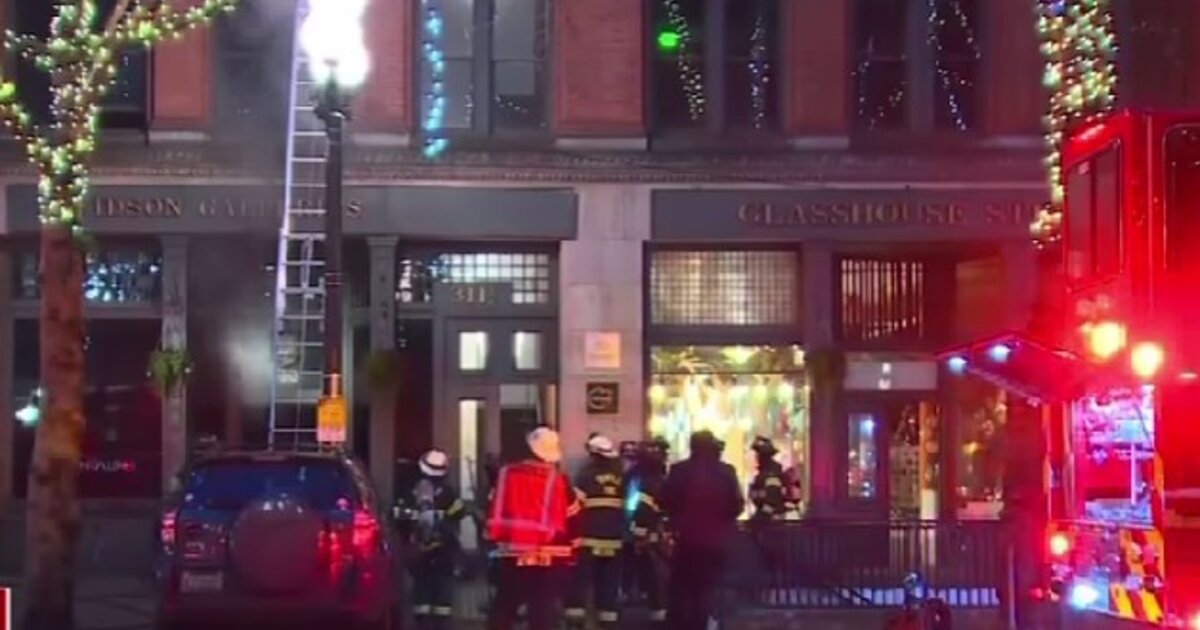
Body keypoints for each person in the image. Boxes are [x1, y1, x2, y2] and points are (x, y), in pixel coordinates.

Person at [487, 427, 581, 630]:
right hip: (548, 554)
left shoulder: (505, 475)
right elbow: (573, 516)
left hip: (511, 550)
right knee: (542, 607)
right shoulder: (558, 479)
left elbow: (493, 506)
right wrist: (574, 550)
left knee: (505, 604)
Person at [661, 430, 744, 630]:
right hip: (716, 542)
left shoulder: (679, 471)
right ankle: (706, 623)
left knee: (682, 587)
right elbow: (737, 505)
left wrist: (676, 520)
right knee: (708, 588)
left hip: (686, 541)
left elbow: (665, 500)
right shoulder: (725, 472)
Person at [565, 433, 625, 629]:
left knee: (580, 580)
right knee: (609, 582)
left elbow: (574, 505)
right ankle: (608, 620)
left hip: (588, 538)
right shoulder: (622, 476)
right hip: (614, 539)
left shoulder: (585, 475)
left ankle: (575, 619)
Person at [400, 449, 465, 629]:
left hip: (426, 550)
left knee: (424, 586)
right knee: (438, 588)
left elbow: (399, 516)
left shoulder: (412, 490)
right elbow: (459, 512)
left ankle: (425, 621)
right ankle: (437, 622)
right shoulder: (447, 492)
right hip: (439, 549)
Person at [628, 436, 671, 628]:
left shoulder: (646, 482)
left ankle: (658, 616)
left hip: (653, 540)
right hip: (665, 538)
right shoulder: (665, 481)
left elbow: (642, 513)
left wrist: (638, 536)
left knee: (655, 578)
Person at [748, 436, 800, 521]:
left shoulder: (771, 475)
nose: (756, 457)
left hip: (771, 522)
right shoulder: (766, 472)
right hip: (769, 519)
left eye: (758, 454)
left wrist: (760, 517)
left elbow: (772, 501)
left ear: (764, 456)